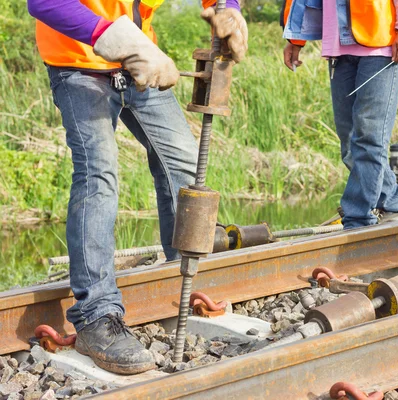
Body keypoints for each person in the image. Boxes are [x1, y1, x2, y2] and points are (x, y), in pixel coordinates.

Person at [27, 0, 247, 374]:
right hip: (78, 65)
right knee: (99, 176)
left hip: (140, 60)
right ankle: (97, 317)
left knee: (183, 163)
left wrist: (229, 8)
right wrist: (113, 37)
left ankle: (182, 280)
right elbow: (44, 2)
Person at [281, 0, 398, 230]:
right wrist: (295, 39)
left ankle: (357, 219)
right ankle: (394, 204)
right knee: (349, 143)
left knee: (370, 137)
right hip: (338, 45)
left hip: (381, 44)